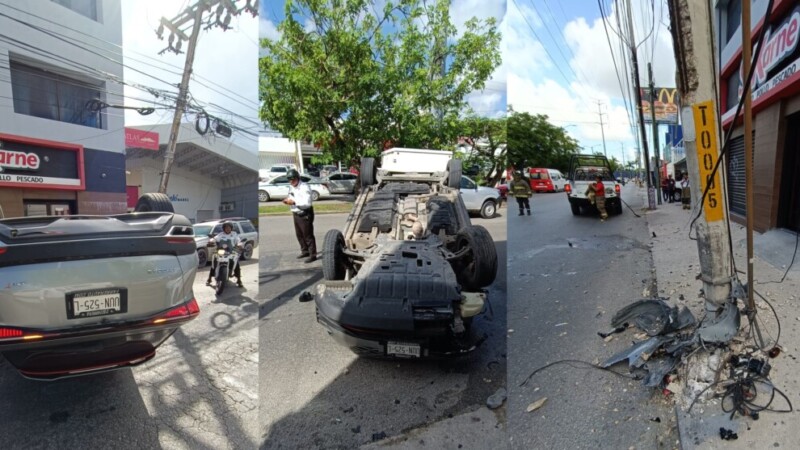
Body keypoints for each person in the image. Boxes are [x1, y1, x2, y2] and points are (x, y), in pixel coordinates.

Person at [283, 169, 317, 263]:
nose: (291, 182)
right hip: (296, 213)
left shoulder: (304, 187)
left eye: (292, 179)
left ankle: (312, 254)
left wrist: (293, 202)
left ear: (298, 178)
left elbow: (307, 203)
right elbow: (291, 196)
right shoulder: (292, 187)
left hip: (305, 213)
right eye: (289, 180)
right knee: (299, 234)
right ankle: (304, 251)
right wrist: (288, 200)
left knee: (308, 235)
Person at [206, 221, 243, 287]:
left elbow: (238, 240)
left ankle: (239, 280)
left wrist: (239, 244)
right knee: (214, 263)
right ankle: (209, 279)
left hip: (231, 251)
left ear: (231, 228)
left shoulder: (234, 234)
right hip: (221, 251)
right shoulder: (221, 234)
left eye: (229, 227)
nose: (227, 229)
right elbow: (214, 238)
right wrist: (211, 241)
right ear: (224, 228)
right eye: (226, 227)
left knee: (236, 264)